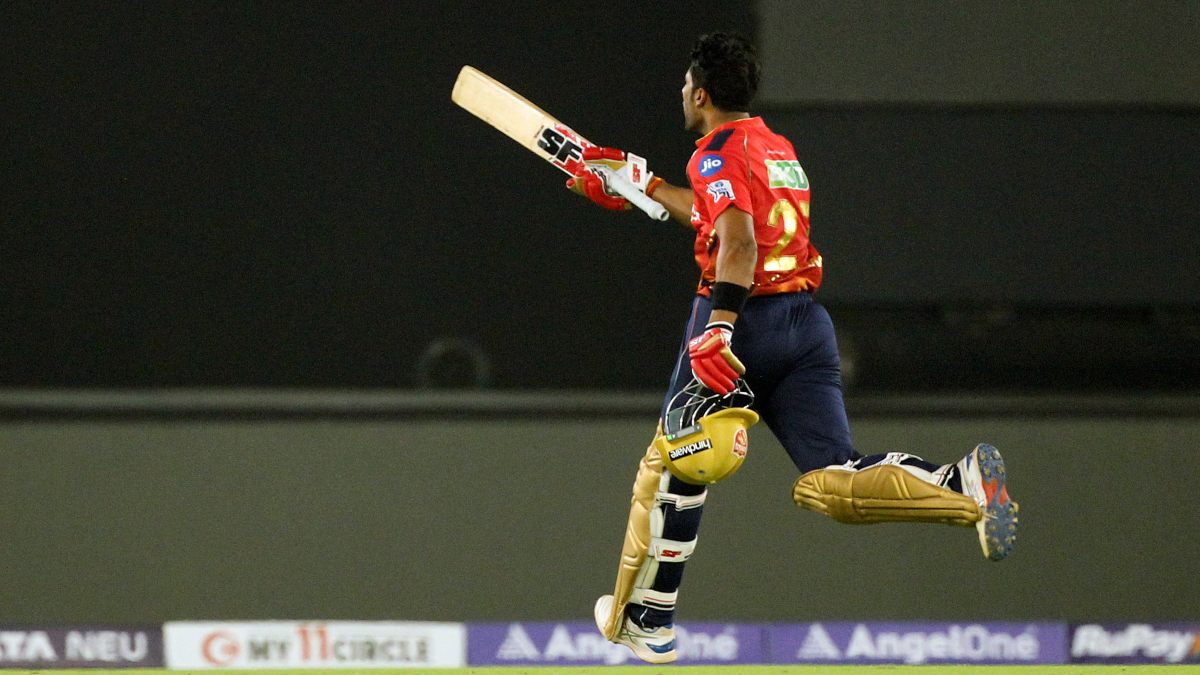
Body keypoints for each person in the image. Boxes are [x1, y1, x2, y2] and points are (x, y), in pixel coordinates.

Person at [567, 32, 1019, 665]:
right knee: (835, 477)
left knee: (677, 462)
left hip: (741, 319)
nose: (680, 94)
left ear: (700, 94)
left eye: (683, 87)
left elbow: (739, 241)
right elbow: (719, 214)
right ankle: (960, 484)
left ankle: (646, 617)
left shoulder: (715, 153)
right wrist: (642, 187)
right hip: (805, 325)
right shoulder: (777, 147)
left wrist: (719, 325)